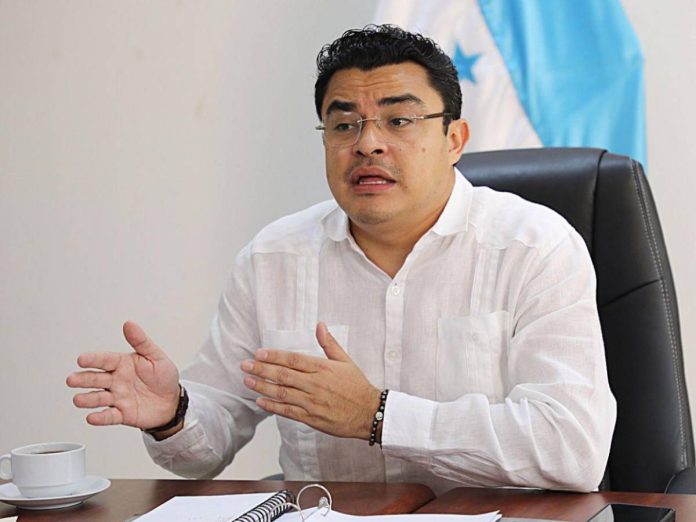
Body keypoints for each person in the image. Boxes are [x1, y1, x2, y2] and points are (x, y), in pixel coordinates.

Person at [67, 25, 616, 494]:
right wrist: (173, 414)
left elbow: (572, 449)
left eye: (398, 121)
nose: (367, 144)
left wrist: (378, 415)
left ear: (454, 139)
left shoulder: (534, 248)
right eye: (344, 124)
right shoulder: (273, 259)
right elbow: (205, 448)